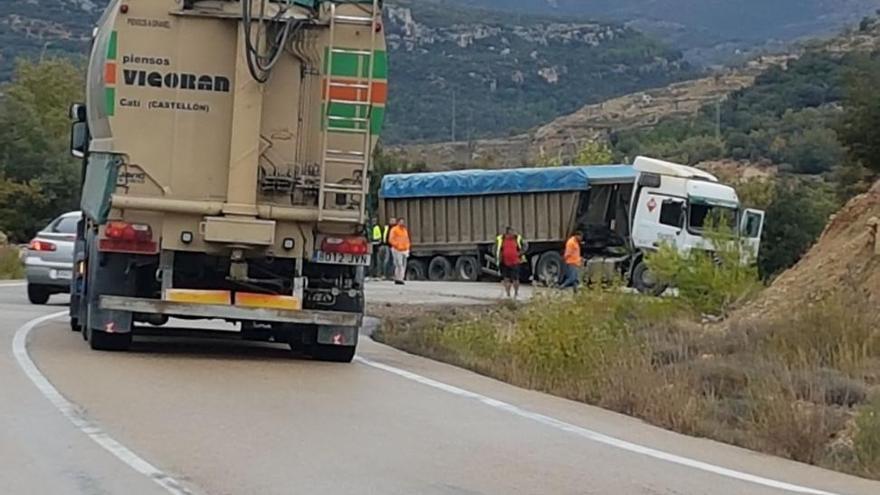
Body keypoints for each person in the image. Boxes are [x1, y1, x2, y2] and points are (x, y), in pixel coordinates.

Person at [495, 226, 526, 299]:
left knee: (516, 279)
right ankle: (508, 295)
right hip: (504, 262)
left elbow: (525, 245)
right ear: (508, 232)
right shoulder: (500, 239)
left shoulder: (517, 238)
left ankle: (516, 294)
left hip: (515, 262)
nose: (514, 233)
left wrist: (520, 253)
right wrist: (498, 258)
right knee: (506, 279)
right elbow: (496, 249)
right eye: (512, 231)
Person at [388, 218, 411, 285]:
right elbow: (391, 239)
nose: (402, 223)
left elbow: (407, 239)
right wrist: (397, 245)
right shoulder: (394, 229)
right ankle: (398, 278)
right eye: (400, 222)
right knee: (399, 264)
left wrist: (407, 247)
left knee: (403, 264)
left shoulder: (404, 230)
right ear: (398, 222)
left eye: (403, 222)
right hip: (397, 249)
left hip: (404, 250)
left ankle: (401, 278)